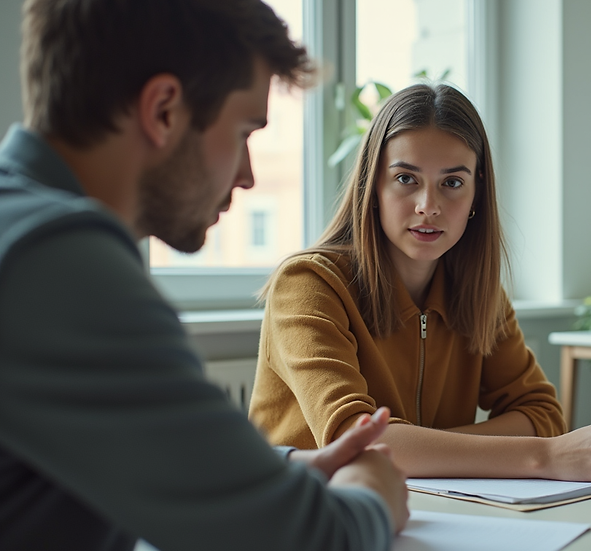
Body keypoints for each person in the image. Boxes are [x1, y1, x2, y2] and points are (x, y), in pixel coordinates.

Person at [0, 1, 409, 549]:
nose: (247, 174)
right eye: (244, 131)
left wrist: (279, 470)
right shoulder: (55, 262)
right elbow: (309, 540)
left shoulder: (21, 230)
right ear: (164, 110)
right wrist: (371, 492)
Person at [249, 83, 591, 480]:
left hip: (421, 510)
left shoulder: (479, 293)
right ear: (373, 188)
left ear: (476, 194)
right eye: (406, 179)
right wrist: (544, 457)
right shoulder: (307, 284)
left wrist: (419, 449)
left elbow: (541, 413)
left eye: (452, 183)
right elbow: (354, 441)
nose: (429, 206)